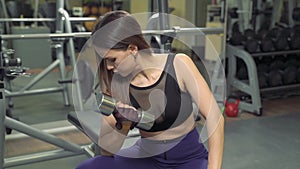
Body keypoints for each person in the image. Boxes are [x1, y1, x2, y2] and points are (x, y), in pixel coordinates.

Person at [76, 10, 224, 169]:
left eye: (112, 60)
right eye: (104, 61)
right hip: (147, 158)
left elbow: (215, 117)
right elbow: (106, 151)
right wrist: (123, 124)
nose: (109, 67)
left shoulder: (178, 65)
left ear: (132, 49)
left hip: (188, 158)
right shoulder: (116, 84)